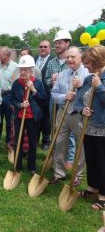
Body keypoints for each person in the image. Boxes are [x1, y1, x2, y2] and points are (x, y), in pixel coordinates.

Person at [50, 46, 89, 186]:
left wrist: (80, 87)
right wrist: (63, 97)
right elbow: (54, 95)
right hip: (63, 112)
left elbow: (92, 97)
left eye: (73, 57)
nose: (69, 60)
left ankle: (77, 175)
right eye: (68, 57)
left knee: (81, 145)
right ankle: (59, 173)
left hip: (79, 114)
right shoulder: (62, 74)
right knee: (59, 142)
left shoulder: (88, 73)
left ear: (81, 57)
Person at [75, 45, 105, 210]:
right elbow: (79, 99)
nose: (85, 66)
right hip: (88, 126)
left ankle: (103, 194)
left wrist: (99, 86)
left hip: (102, 128)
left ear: (96, 61)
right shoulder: (88, 78)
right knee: (91, 159)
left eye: (87, 62)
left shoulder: (99, 79)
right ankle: (93, 186)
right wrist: (82, 109)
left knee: (102, 161)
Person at [10, 55, 46, 175]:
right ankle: (18, 165)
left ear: (32, 70)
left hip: (33, 117)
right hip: (19, 116)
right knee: (18, 141)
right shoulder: (16, 83)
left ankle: (32, 167)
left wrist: (34, 90)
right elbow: (11, 100)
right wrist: (20, 105)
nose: (23, 72)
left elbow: (43, 100)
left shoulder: (38, 83)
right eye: (22, 69)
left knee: (32, 142)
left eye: (26, 69)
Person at [45, 30, 75, 169]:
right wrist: (51, 80)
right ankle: (56, 153)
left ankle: (70, 158)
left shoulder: (72, 62)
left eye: (60, 43)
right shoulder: (52, 63)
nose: (56, 45)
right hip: (55, 99)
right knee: (55, 127)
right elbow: (45, 81)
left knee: (70, 129)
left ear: (67, 43)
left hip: (70, 100)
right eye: (56, 43)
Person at [0, 47, 18, 148]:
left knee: (10, 121)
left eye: (0, 54)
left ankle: (9, 143)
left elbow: (17, 84)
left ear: (8, 55)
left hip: (9, 96)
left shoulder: (15, 67)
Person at [35, 40, 54, 150]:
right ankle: (35, 138)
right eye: (41, 46)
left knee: (46, 119)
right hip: (34, 94)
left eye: (45, 47)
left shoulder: (52, 61)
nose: (43, 48)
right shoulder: (33, 59)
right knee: (35, 118)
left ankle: (46, 140)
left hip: (47, 95)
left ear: (49, 49)